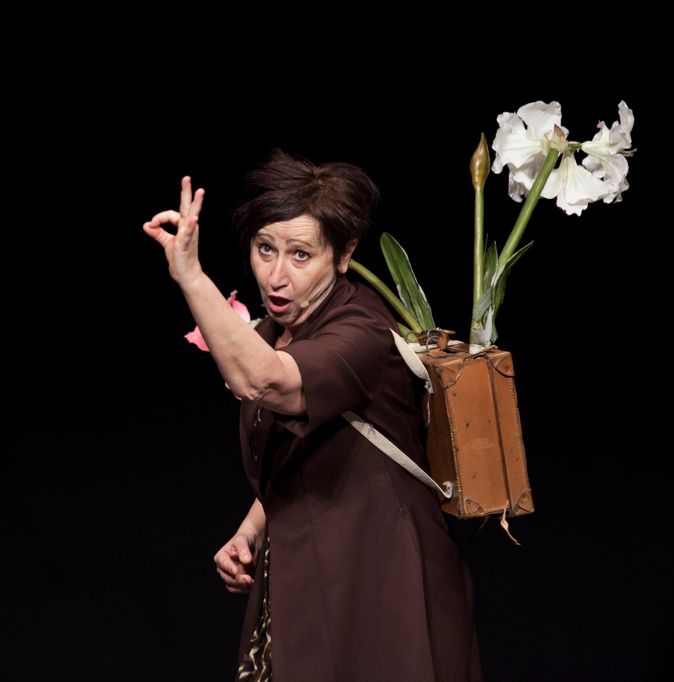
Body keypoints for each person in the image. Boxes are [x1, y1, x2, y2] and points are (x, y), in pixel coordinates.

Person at [143, 149, 482, 681]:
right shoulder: (274, 330)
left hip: (379, 579)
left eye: (301, 255)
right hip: (306, 567)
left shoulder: (361, 330)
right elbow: (301, 450)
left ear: (343, 254)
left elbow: (264, 380)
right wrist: (251, 530)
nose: (277, 277)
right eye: (265, 249)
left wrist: (190, 276)